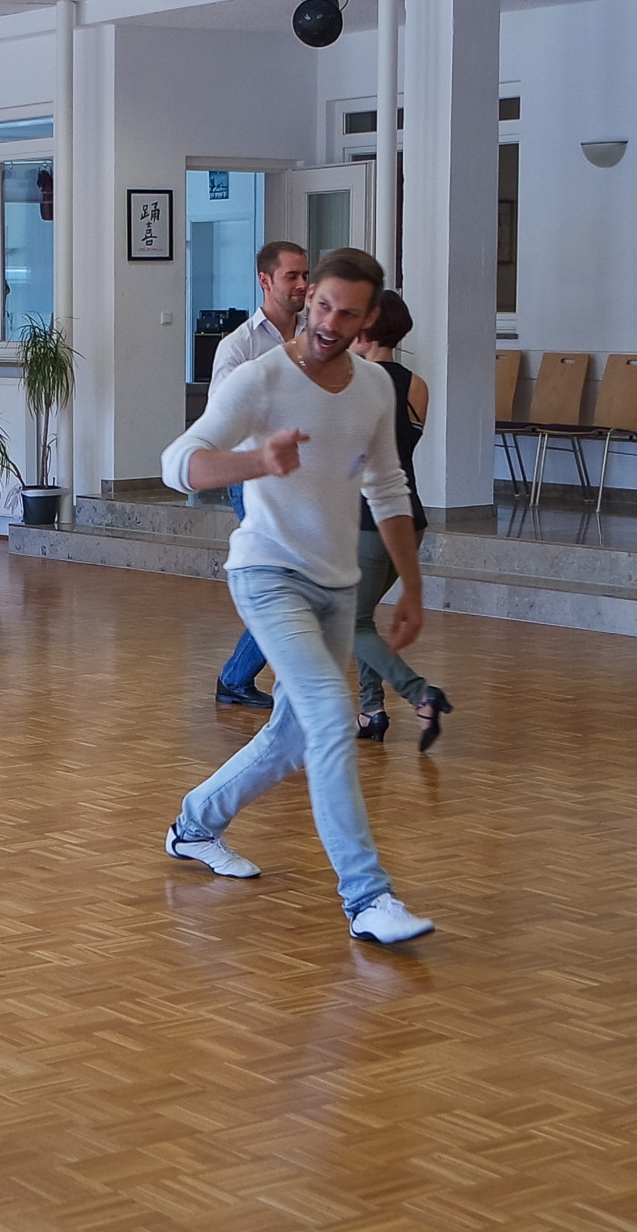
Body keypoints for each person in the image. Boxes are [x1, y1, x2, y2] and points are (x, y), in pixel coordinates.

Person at [157, 248, 435, 945]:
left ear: (369, 319)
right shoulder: (260, 379)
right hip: (267, 574)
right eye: (323, 305)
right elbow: (176, 464)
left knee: (292, 738)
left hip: (338, 585)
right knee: (331, 716)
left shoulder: (374, 389)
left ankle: (195, 824)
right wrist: (257, 460)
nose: (331, 323)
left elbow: (388, 487)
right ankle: (367, 898)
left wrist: (411, 584)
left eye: (348, 313)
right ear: (308, 299)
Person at [343, 290, 453, 750]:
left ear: (367, 329)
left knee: (350, 622)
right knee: (363, 618)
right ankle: (371, 712)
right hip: (412, 518)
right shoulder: (417, 385)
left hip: (371, 519)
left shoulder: (357, 384)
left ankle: (420, 693)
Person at [209, 242, 311, 708]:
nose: (302, 285)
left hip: (306, 475)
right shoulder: (240, 346)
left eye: (305, 275)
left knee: (296, 580)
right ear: (265, 281)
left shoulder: (320, 337)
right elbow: (227, 413)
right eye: (292, 276)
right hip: (254, 477)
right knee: (281, 579)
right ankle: (239, 678)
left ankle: (239, 677)